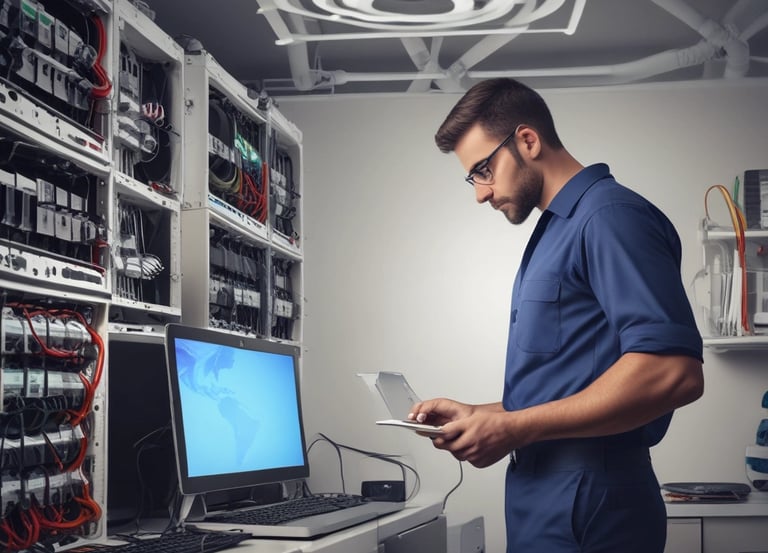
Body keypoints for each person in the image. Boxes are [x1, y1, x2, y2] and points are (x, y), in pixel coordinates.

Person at [408, 78, 704, 553]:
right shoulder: (557, 230)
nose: (480, 194)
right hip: (546, 500)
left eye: (484, 169)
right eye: (473, 177)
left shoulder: (610, 217)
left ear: (527, 141)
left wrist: (510, 428)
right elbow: (569, 384)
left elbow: (674, 372)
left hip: (591, 504)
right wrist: (482, 417)